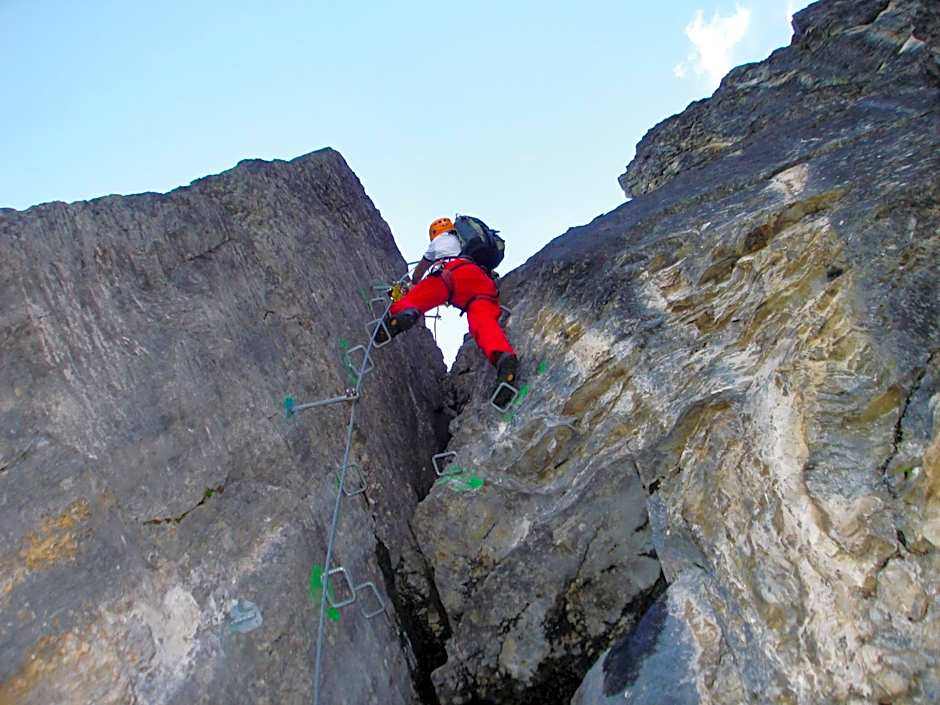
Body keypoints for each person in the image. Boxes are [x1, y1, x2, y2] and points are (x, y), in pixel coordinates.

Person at [374, 216, 519, 404]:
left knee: (422, 295)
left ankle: (404, 313)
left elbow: (420, 271)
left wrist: (413, 283)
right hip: (481, 281)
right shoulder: (467, 242)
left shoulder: (440, 240)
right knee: (483, 323)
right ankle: (503, 357)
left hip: (453, 272)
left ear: (435, 233)